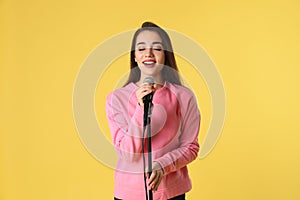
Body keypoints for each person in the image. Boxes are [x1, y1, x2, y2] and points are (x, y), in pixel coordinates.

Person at [106, 22, 201, 200]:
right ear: (135, 56)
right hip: (128, 195)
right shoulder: (116, 99)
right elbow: (128, 154)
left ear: (165, 55)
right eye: (141, 48)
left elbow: (191, 147)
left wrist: (162, 165)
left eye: (156, 48)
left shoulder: (184, 97)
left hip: (172, 193)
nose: (148, 54)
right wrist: (141, 111)